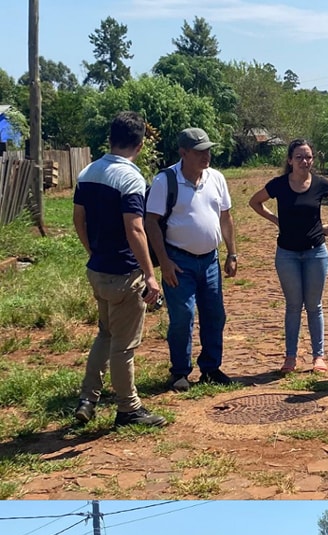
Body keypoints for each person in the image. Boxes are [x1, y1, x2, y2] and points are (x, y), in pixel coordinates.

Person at [72, 111, 167, 429]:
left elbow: (78, 219)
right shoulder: (131, 178)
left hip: (98, 269)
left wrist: (92, 251)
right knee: (124, 345)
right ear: (139, 144)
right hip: (125, 273)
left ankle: (88, 397)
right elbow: (136, 229)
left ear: (110, 139)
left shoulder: (88, 172)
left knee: (105, 334)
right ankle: (128, 408)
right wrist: (150, 274)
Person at [145, 127, 238, 392]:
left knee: (214, 315)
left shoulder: (216, 178)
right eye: (199, 152)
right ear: (183, 153)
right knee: (183, 315)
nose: (205, 156)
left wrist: (232, 253)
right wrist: (163, 262)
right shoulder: (166, 181)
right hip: (178, 260)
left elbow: (226, 217)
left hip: (210, 260)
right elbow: (151, 222)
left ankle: (211, 367)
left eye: (208, 150)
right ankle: (180, 371)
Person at [248, 139, 328, 374]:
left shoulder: (320, 184)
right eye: (299, 157)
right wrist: (276, 219)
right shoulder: (279, 185)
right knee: (293, 306)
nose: (304, 161)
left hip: (316, 252)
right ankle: (290, 357)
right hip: (287, 254)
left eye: (308, 157)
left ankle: (318, 357)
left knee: (314, 306)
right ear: (289, 160)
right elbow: (255, 202)